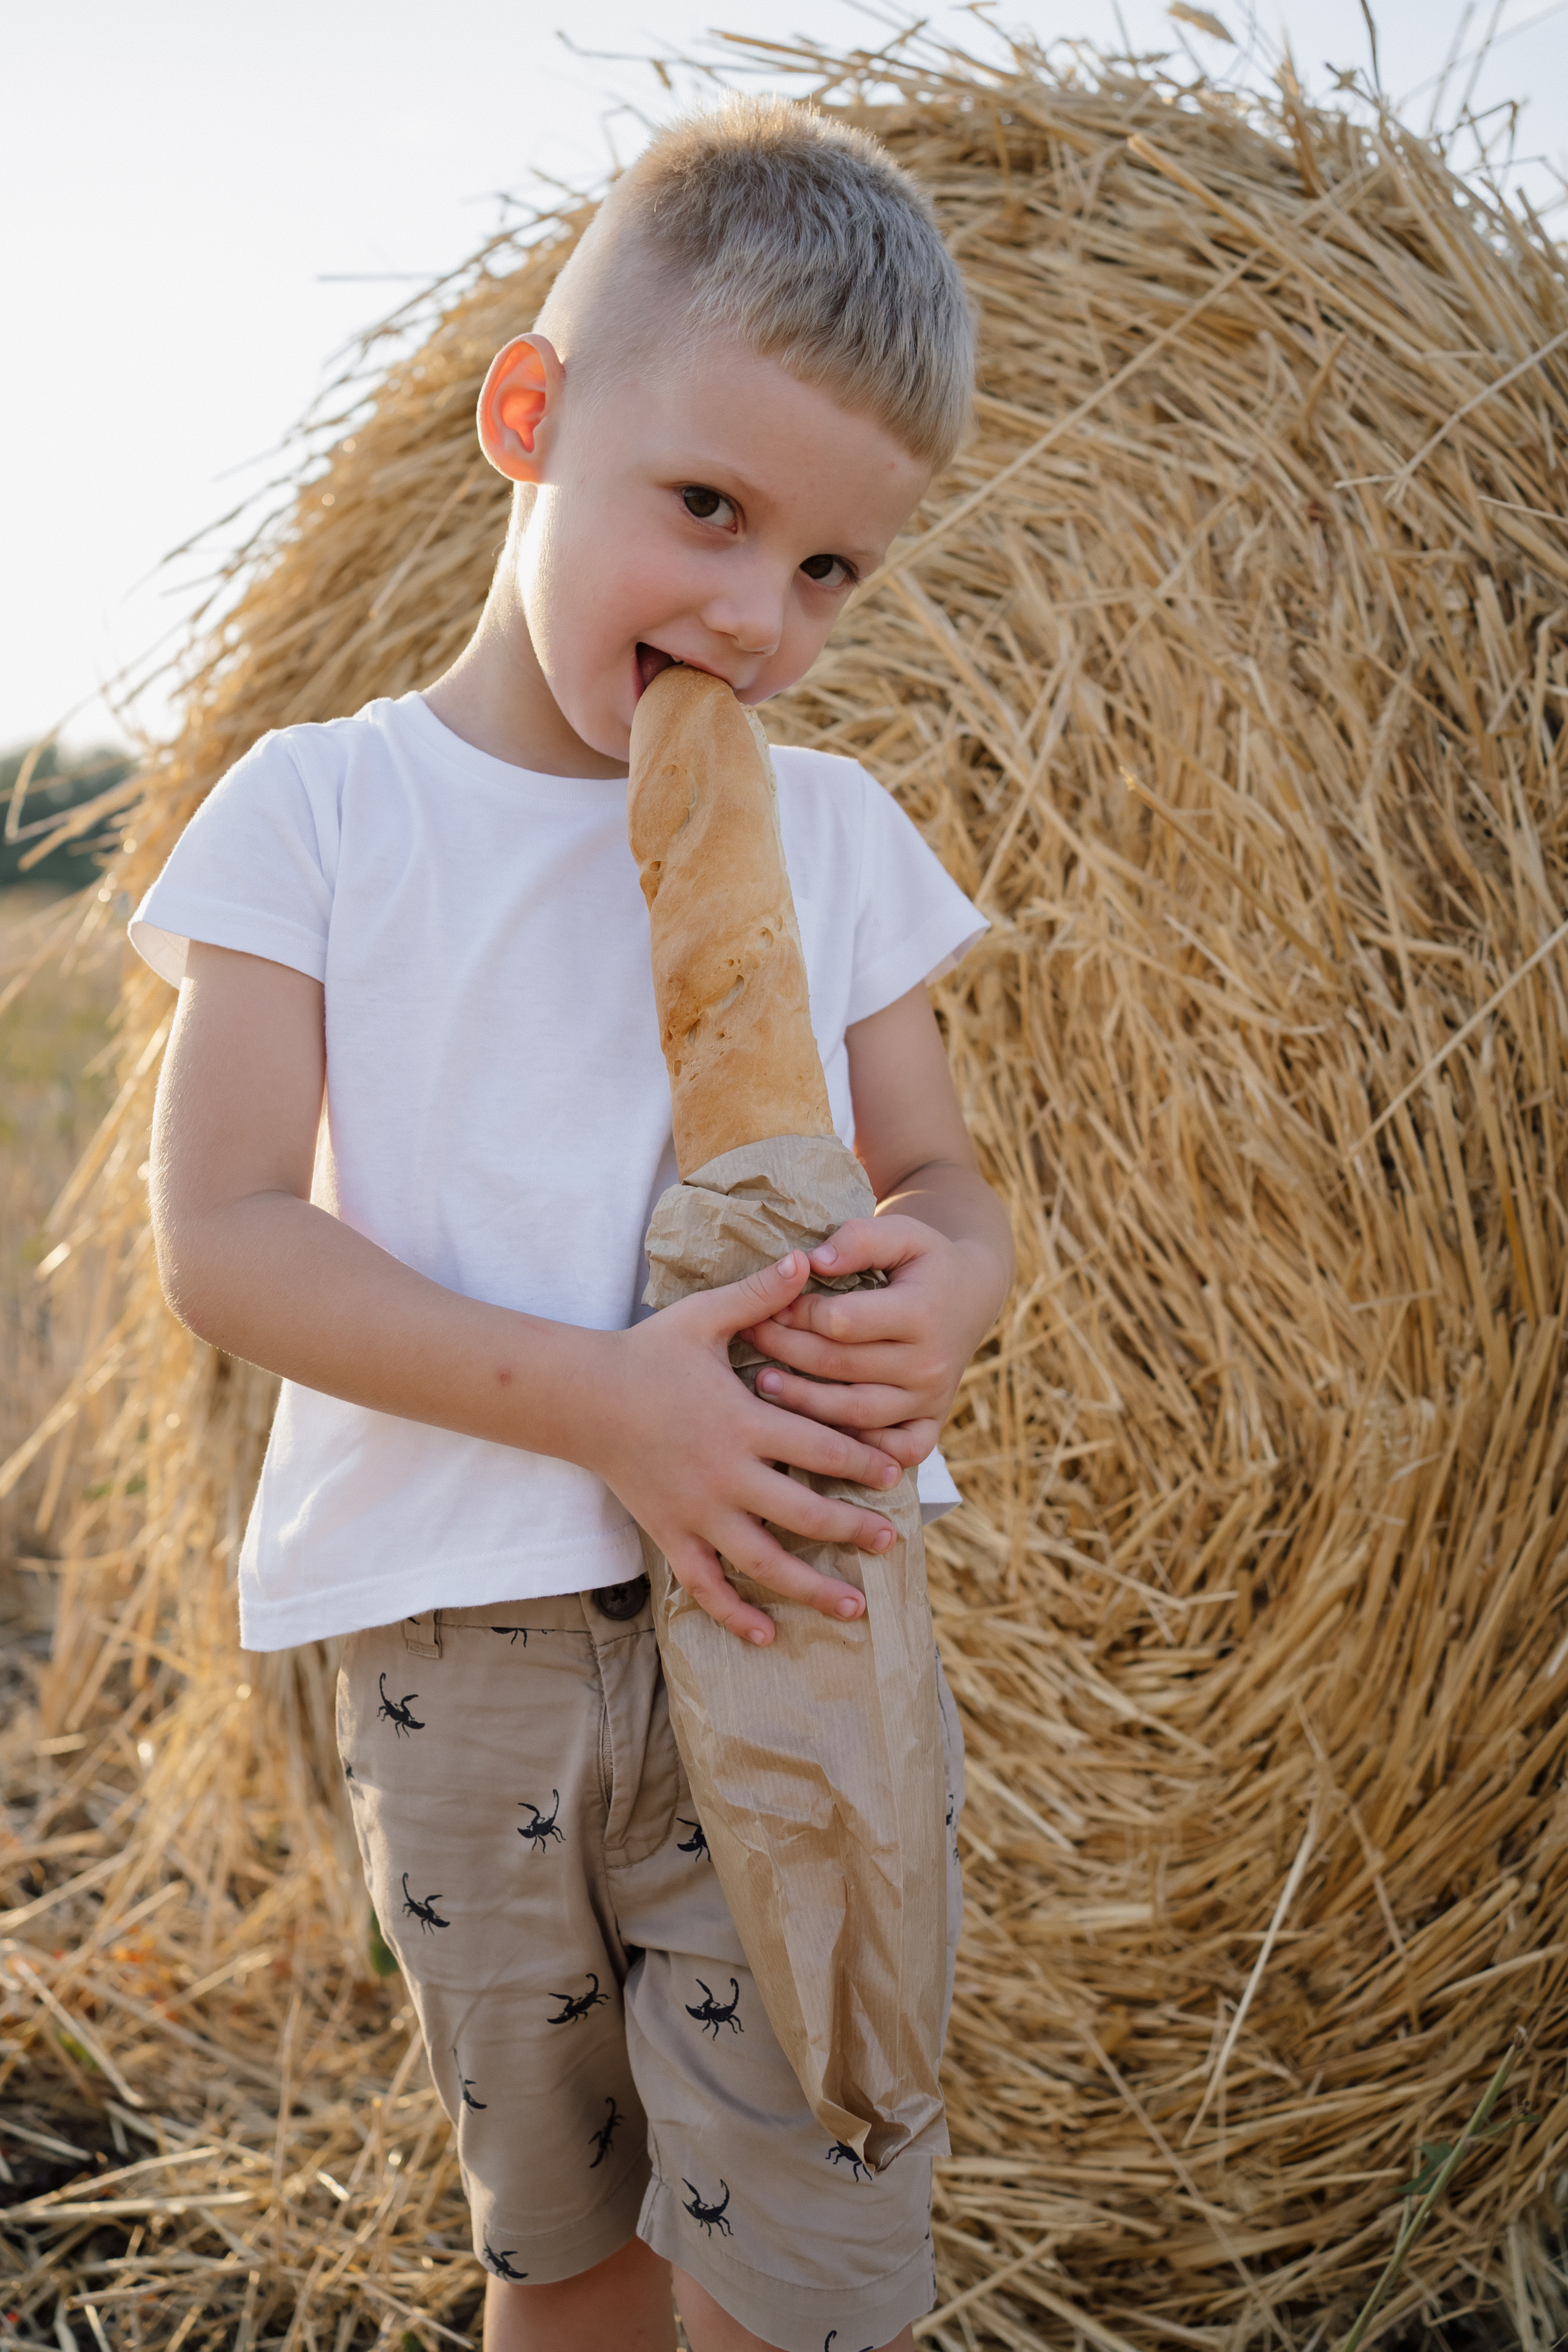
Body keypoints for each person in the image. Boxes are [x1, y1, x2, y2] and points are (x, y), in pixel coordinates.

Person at [136, 94, 1014, 2352]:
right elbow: (227, 1235)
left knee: (815, 2259)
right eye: (708, 509)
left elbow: (946, 1178)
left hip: (799, 1610)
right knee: (570, 2253)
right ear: (530, 417)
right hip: (469, 1660)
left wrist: (959, 1283)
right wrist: (610, 1405)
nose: (759, 613)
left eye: (830, 569)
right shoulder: (324, 812)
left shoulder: (832, 836)